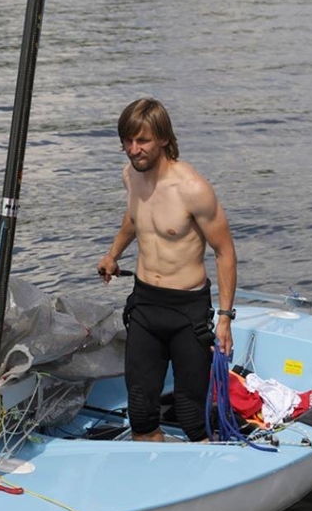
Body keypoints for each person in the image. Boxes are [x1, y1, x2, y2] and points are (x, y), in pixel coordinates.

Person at [97, 98, 237, 442]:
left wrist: (224, 318)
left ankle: (206, 466)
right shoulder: (131, 176)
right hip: (145, 303)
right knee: (141, 413)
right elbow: (135, 218)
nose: (134, 150)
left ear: (162, 138)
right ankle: (151, 467)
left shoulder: (193, 189)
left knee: (191, 416)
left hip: (187, 312)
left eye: (142, 141)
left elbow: (224, 252)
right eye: (127, 141)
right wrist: (113, 254)